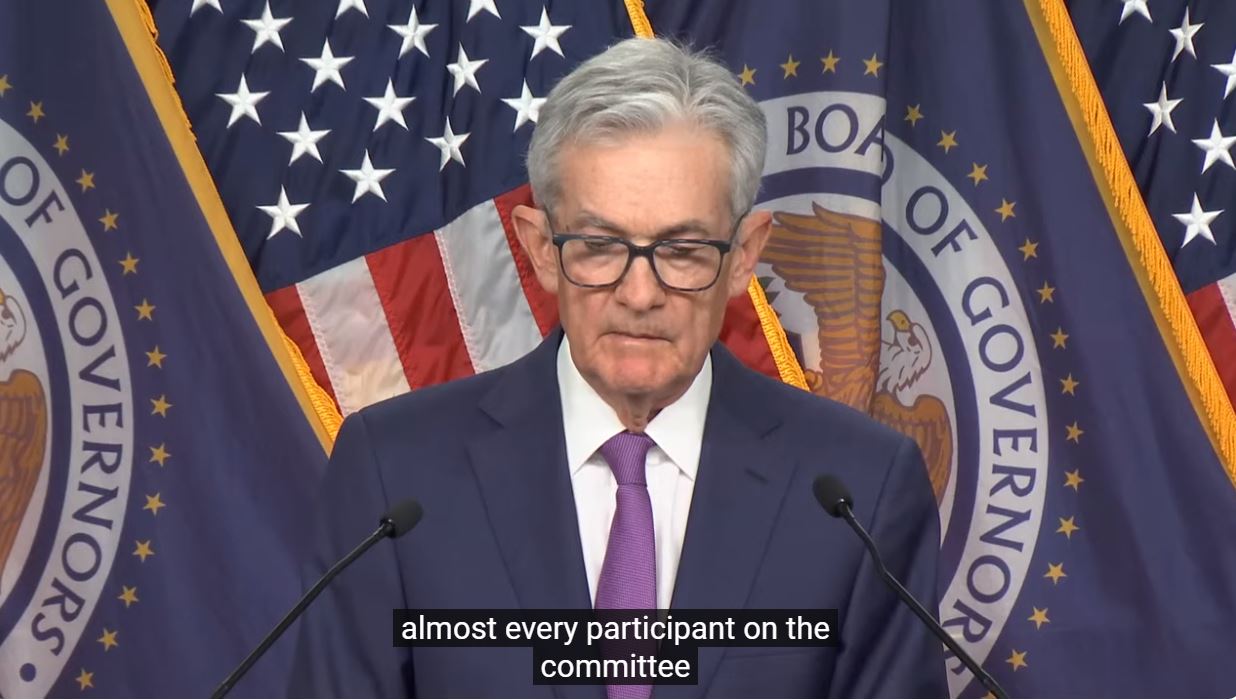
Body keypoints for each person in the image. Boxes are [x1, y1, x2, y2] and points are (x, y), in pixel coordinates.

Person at [288, 37, 947, 698]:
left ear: (744, 256)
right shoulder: (396, 474)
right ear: (541, 249)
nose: (639, 294)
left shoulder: (860, 489)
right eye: (600, 246)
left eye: (682, 250)